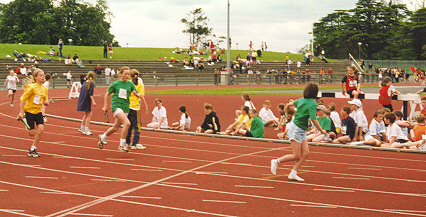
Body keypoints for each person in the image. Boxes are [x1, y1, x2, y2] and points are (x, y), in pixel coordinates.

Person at [270, 83, 326, 181]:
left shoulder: (301, 99)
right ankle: (276, 161)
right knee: (297, 155)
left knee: (306, 153)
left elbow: (289, 104)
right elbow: (313, 119)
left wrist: (287, 111)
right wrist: (321, 130)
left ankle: (293, 173)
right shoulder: (312, 103)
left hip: (301, 129)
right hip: (297, 129)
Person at [98, 66, 145, 152]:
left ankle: (102, 137)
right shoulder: (115, 84)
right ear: (120, 74)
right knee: (127, 123)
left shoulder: (130, 84)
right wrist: (105, 106)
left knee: (115, 128)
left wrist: (138, 95)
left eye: (128, 74)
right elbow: (107, 94)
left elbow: (135, 92)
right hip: (116, 106)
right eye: (125, 74)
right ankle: (122, 145)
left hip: (125, 108)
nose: (127, 76)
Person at [18, 69, 49, 157]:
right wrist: (21, 112)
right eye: (41, 76)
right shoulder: (31, 87)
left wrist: (46, 102)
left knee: (41, 130)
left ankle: (33, 148)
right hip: (29, 111)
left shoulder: (44, 88)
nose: (43, 77)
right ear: (35, 78)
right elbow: (22, 99)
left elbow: (45, 98)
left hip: (38, 111)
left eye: (43, 75)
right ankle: (25, 122)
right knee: (31, 133)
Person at [126, 69, 149, 149]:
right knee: (137, 126)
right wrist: (146, 106)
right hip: (135, 107)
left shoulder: (128, 83)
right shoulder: (139, 85)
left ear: (130, 76)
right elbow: (141, 96)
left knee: (129, 125)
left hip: (127, 107)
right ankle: (135, 143)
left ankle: (127, 142)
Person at [77, 71, 97, 136]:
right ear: (93, 77)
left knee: (86, 114)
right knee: (89, 115)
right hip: (86, 100)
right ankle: (86, 129)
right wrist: (93, 101)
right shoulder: (91, 84)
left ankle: (82, 127)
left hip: (82, 100)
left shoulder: (84, 83)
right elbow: (90, 94)